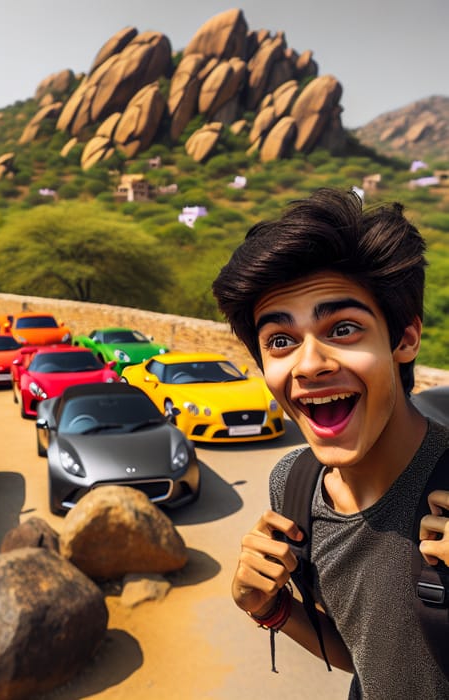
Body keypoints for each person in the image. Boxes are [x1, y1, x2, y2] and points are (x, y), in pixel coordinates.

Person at [211, 187, 449, 697]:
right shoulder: (294, 486)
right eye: (280, 340)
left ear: (404, 340)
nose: (309, 363)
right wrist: (269, 607)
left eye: (342, 328)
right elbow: (367, 656)